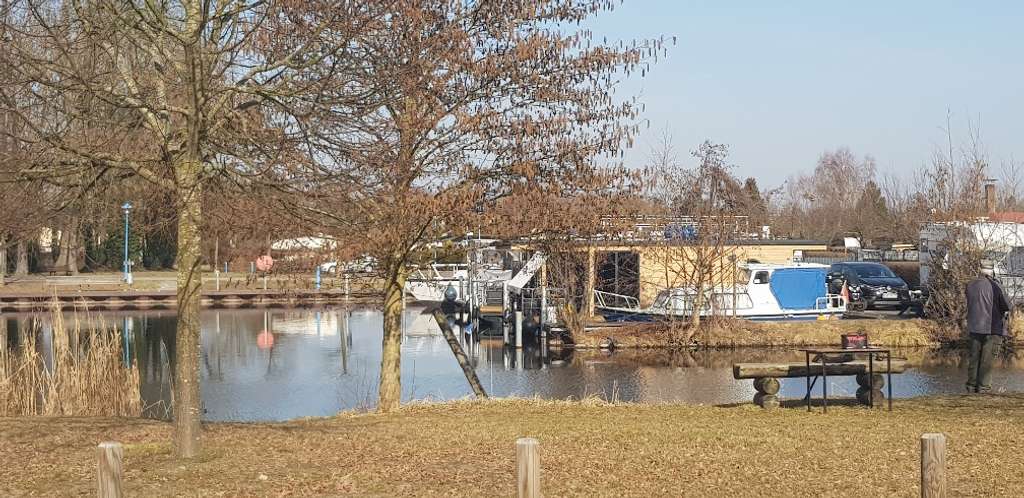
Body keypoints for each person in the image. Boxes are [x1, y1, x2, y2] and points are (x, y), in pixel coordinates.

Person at [964, 261, 1011, 393]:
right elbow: (1007, 305)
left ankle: (971, 387)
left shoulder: (970, 285)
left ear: (979, 270)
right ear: (992, 271)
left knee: (974, 359)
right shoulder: (996, 285)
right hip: (992, 328)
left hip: (974, 327)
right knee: (987, 361)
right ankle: (983, 389)